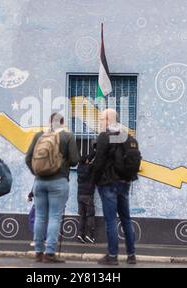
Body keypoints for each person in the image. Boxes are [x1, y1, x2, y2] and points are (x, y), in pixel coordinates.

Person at [25, 113, 79, 263]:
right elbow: (75, 160)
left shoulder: (38, 136)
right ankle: (50, 253)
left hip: (39, 182)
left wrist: (37, 173)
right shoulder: (68, 136)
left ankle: (38, 252)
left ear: (49, 122)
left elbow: (28, 158)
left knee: (40, 216)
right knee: (55, 216)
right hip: (59, 181)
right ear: (62, 122)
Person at [91, 108, 136, 266]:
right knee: (126, 219)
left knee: (111, 220)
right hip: (124, 183)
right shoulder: (126, 136)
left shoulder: (104, 137)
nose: (100, 121)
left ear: (109, 120)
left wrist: (94, 181)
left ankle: (112, 256)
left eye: (102, 118)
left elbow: (98, 163)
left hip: (108, 183)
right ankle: (131, 255)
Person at [76, 144, 96, 244]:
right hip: (88, 195)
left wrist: (93, 152)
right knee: (90, 215)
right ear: (87, 161)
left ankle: (80, 234)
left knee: (82, 216)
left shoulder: (79, 168)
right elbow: (95, 161)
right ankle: (90, 236)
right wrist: (96, 150)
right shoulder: (91, 168)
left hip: (79, 195)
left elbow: (88, 159)